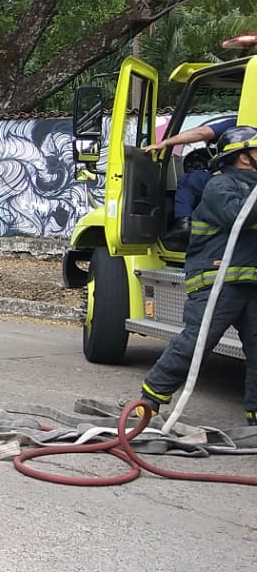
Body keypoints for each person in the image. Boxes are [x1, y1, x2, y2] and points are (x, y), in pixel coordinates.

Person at [138, 125, 257, 427]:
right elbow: (238, 216)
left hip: (248, 281)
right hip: (216, 279)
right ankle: (150, 398)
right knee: (197, 342)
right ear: (243, 157)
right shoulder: (221, 186)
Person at [145, 115, 237, 244]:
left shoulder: (240, 122)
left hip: (235, 178)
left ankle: (183, 224)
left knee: (189, 181)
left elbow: (202, 132)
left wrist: (164, 143)